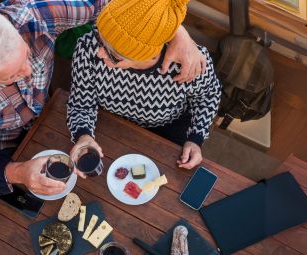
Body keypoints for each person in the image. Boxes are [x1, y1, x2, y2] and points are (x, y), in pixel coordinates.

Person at [0, 0, 208, 196]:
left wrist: (174, 33)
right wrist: (17, 173)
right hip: (3, 145)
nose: (28, 73)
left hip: (52, 116)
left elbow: (127, 9)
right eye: (11, 76)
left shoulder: (35, 13)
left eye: (27, 56)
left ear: (10, 26)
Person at [66, 0, 221, 170]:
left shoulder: (188, 64)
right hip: (108, 123)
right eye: (101, 38)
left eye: (114, 54)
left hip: (166, 131)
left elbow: (208, 95)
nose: (99, 52)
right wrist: (83, 135)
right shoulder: (88, 47)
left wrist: (196, 138)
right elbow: (81, 104)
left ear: (146, 55)